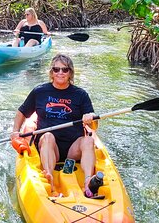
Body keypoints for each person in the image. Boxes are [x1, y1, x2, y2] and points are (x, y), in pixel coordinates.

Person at [10, 54, 98, 197]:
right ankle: (49, 177)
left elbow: (93, 127)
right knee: (48, 136)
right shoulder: (40, 91)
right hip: (49, 146)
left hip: (73, 148)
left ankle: (88, 181)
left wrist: (91, 118)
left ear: (70, 72)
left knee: (88, 140)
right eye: (56, 69)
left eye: (65, 70)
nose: (60, 73)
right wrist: (15, 132)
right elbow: (22, 112)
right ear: (51, 72)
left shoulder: (81, 94)